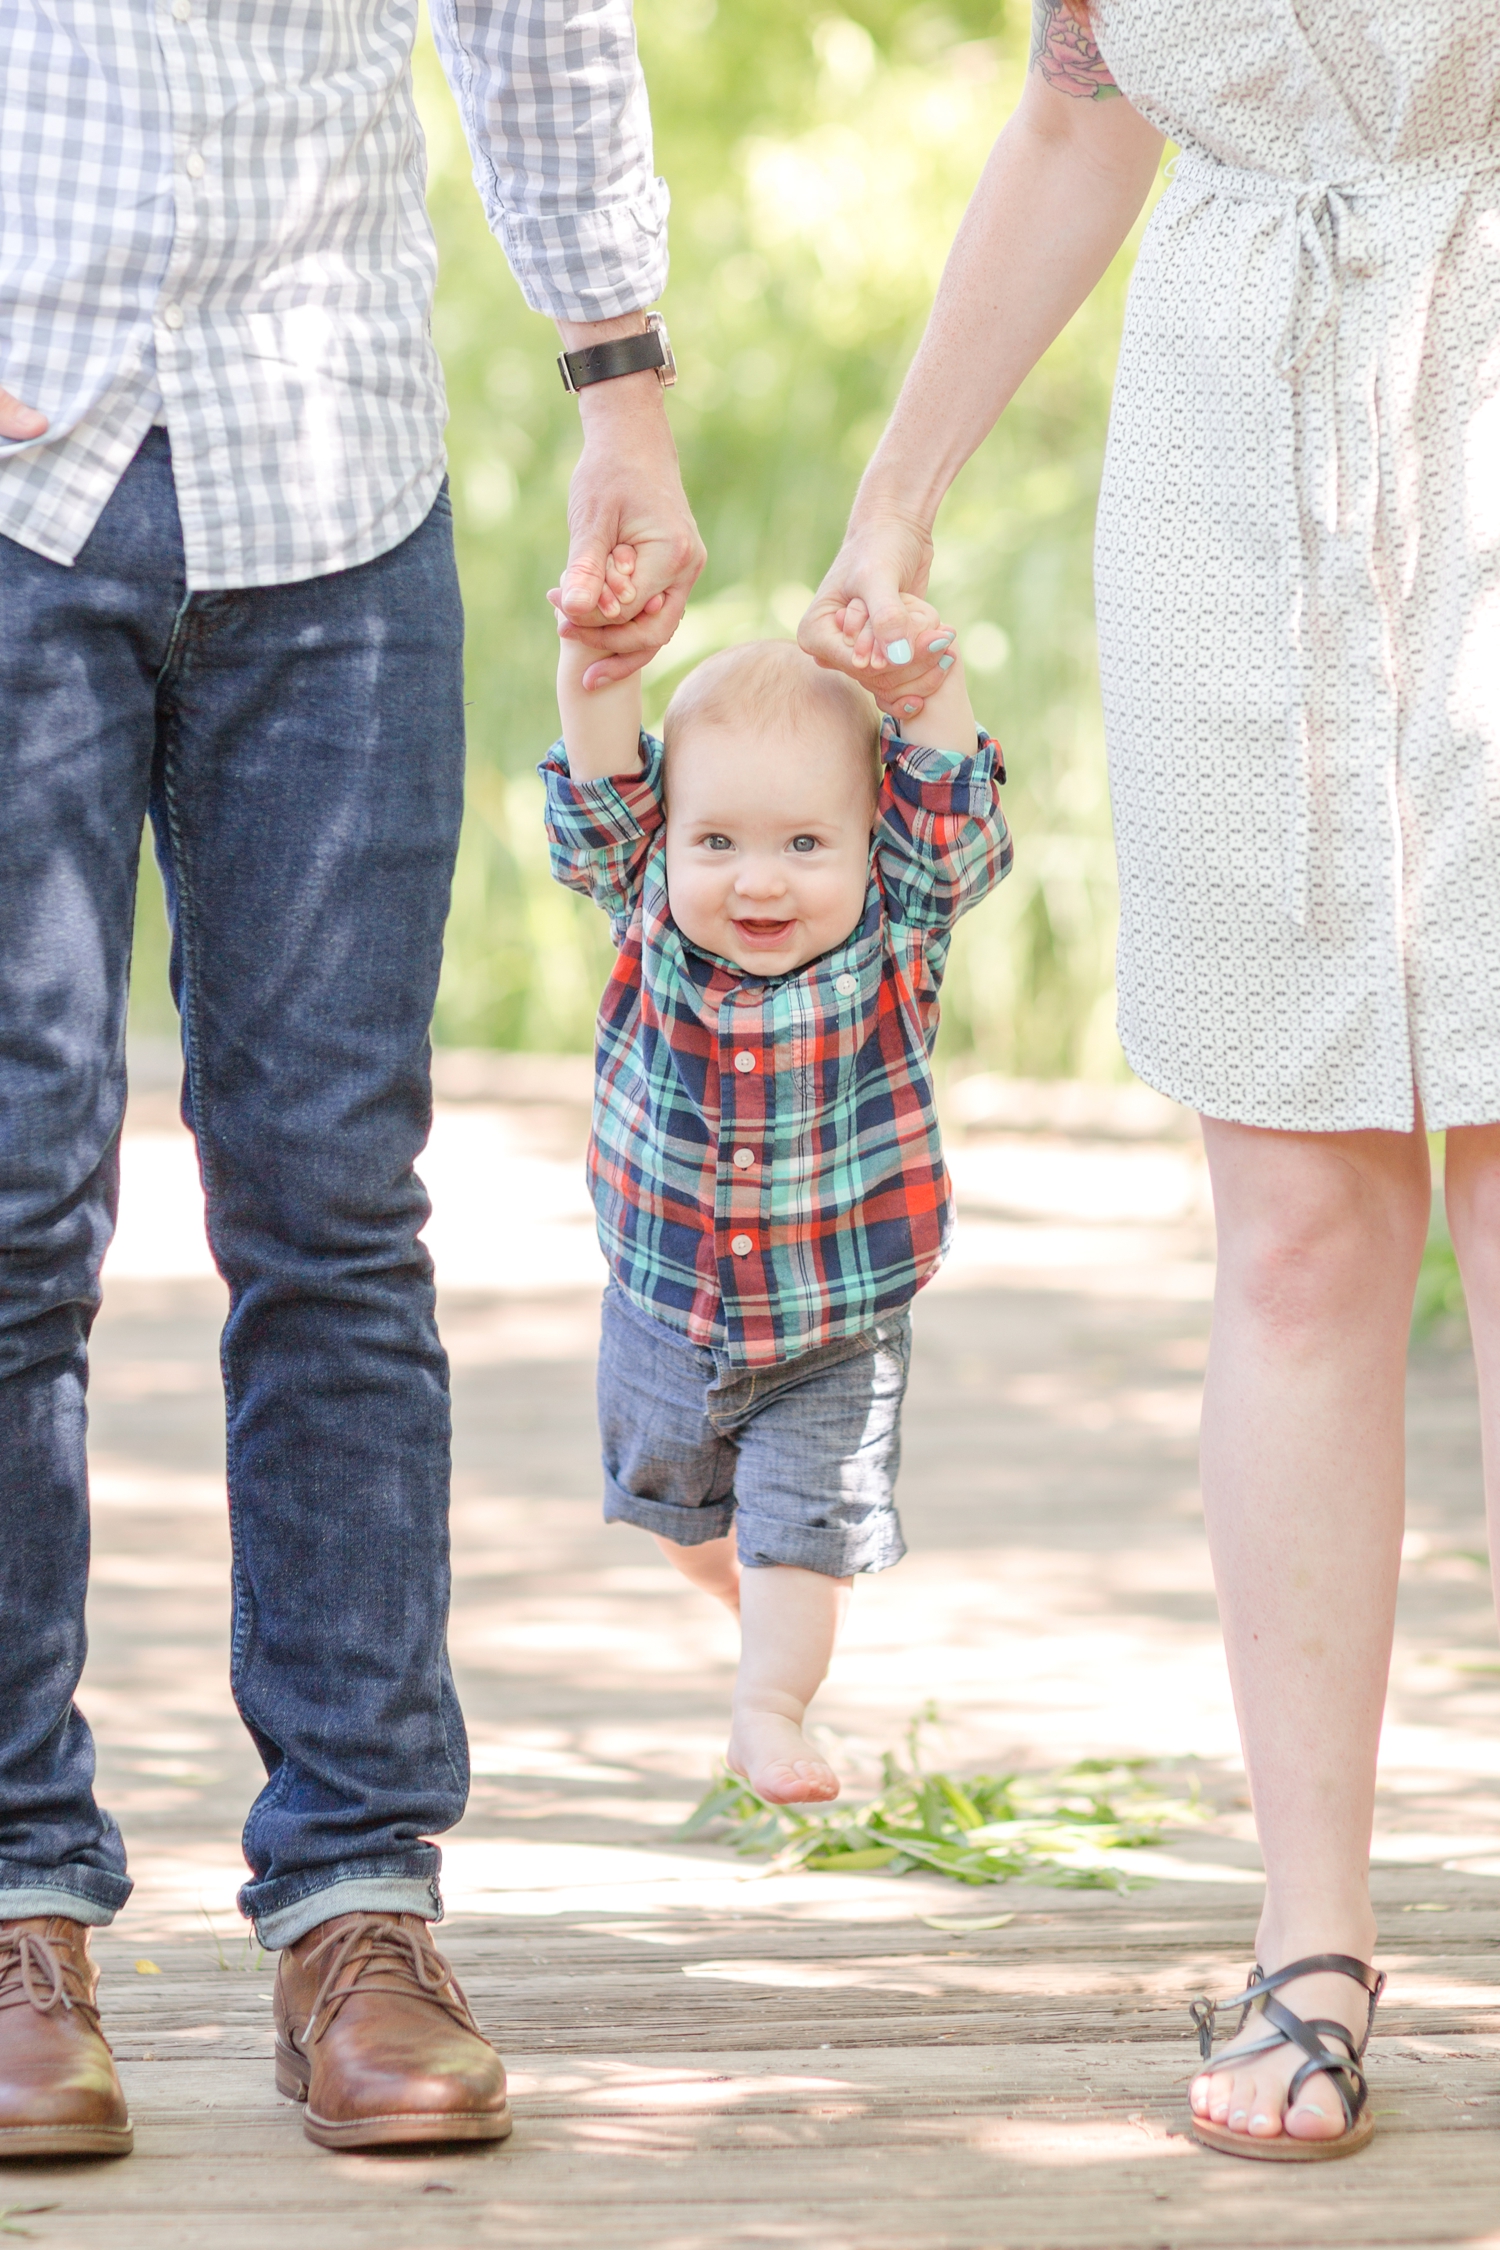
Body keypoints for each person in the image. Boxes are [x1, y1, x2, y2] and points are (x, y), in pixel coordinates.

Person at [799, 0, 1500, 2165]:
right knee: (1297, 1233)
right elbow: (1080, 100)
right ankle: (1315, 1948)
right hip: (1229, 460)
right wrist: (890, 502)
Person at [0, 0, 703, 2159]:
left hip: (331, 471)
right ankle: (18, 1893)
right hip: (22, 450)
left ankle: (358, 1896)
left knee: (331, 1206)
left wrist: (623, 380)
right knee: (11, 1202)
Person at [542, 599, 1009, 1802]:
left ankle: (771, 1706)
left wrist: (923, 679)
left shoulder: (898, 927)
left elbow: (954, 810)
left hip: (832, 1323)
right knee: (678, 1524)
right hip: (663, 1304)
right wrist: (599, 669)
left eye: (806, 844)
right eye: (719, 845)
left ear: (868, 844)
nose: (760, 881)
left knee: (803, 1527)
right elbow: (599, 792)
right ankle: (763, 1600)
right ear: (669, 843)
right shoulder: (646, 905)